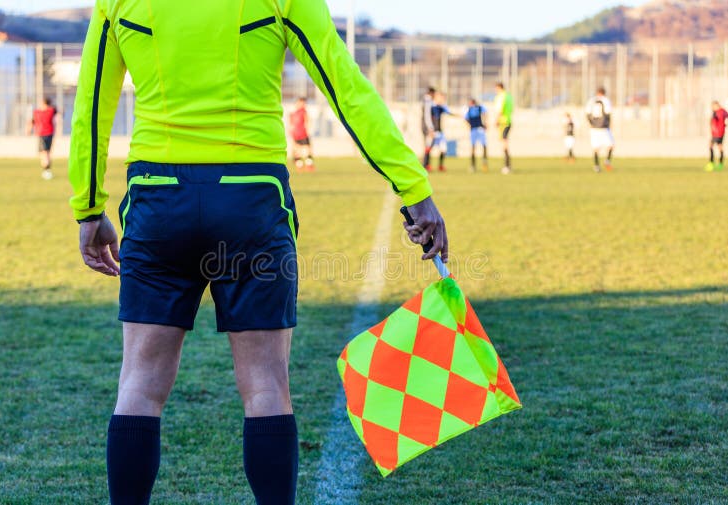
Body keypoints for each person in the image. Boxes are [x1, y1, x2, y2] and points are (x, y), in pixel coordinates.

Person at [68, 1, 448, 504]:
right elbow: (344, 86)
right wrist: (413, 187)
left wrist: (88, 205)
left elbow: (93, 102)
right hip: (250, 199)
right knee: (267, 386)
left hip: (159, 198)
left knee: (138, 384)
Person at [585, 87, 615, 173]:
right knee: (611, 146)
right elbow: (608, 112)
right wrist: (609, 124)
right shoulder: (605, 100)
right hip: (603, 127)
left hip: (594, 128)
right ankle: (607, 161)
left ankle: (596, 166)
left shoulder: (591, 100)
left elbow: (587, 113)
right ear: (604, 93)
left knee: (596, 148)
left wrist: (591, 123)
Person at [28, 97, 58, 179]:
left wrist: (29, 130)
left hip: (41, 134)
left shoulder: (37, 112)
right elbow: (58, 111)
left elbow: (32, 121)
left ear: (43, 103)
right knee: (47, 153)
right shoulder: (51, 111)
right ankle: (47, 171)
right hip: (50, 134)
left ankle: (46, 171)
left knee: (44, 154)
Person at [705, 101, 728, 172]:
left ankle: (713, 163)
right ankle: (719, 163)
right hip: (716, 133)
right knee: (718, 147)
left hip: (718, 133)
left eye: (713, 106)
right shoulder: (717, 112)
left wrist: (724, 126)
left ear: (717, 105)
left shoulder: (721, 112)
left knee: (713, 146)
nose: (712, 107)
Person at [289, 97, 314, 172]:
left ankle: (300, 166)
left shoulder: (294, 113)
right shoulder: (302, 112)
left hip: (297, 133)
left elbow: (291, 125)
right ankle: (308, 165)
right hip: (302, 133)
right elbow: (307, 122)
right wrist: (308, 131)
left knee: (298, 150)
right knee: (307, 149)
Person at [493, 82, 513, 174]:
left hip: (503, 122)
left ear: (499, 88)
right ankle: (507, 165)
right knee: (505, 143)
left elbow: (500, 110)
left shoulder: (501, 97)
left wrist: (496, 120)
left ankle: (507, 166)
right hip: (508, 121)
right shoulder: (509, 96)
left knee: (504, 144)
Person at [465, 98, 488, 172]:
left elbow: (484, 114)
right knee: (476, 147)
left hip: (478, 129)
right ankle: (474, 165)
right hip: (476, 129)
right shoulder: (471, 109)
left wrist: (484, 123)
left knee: (481, 146)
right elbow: (466, 119)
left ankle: (480, 165)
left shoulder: (478, 108)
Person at [421, 87, 436, 170]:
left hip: (425, 126)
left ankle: (426, 164)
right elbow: (427, 115)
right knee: (428, 144)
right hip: (427, 127)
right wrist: (430, 128)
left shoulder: (426, 100)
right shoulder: (428, 101)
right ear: (432, 93)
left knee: (428, 144)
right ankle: (425, 164)